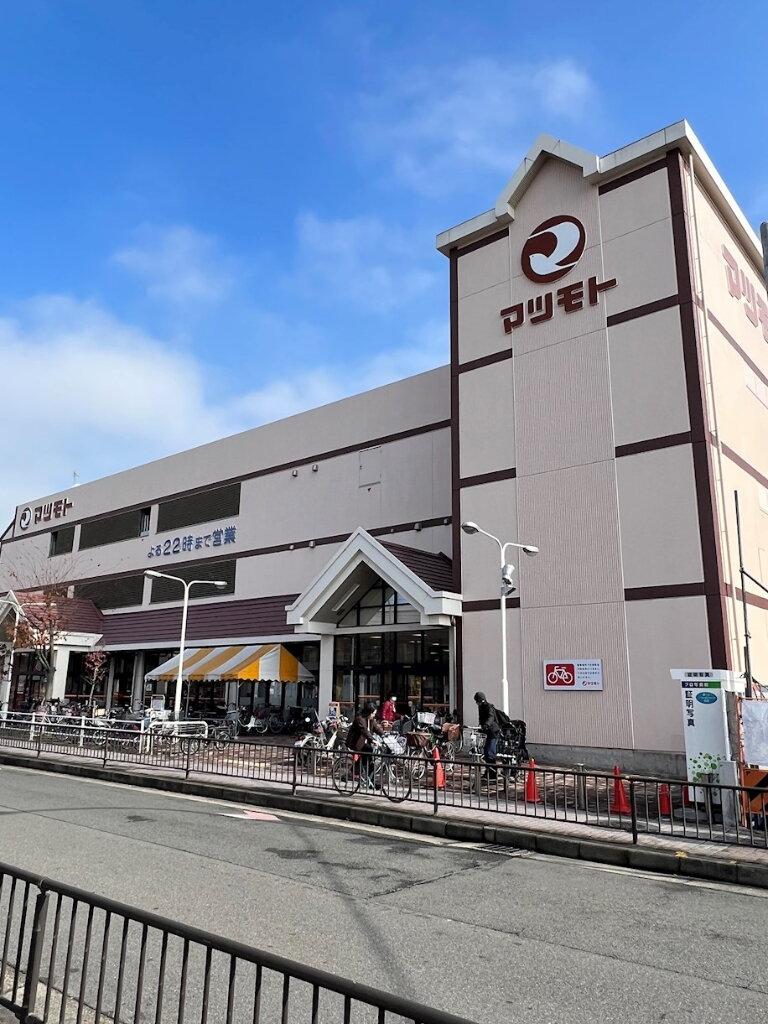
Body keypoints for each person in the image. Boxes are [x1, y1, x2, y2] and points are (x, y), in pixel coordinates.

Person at [345, 702, 385, 788]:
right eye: (373, 713)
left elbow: (377, 728)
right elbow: (365, 731)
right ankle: (351, 773)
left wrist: (384, 735)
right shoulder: (360, 719)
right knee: (367, 756)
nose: (374, 715)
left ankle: (371, 782)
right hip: (356, 743)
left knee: (370, 761)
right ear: (368, 712)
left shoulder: (371, 720)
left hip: (365, 743)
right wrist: (373, 740)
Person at [473, 691, 500, 778]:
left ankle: (493, 773)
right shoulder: (481, 707)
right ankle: (488, 771)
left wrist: (486, 725)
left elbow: (490, 718)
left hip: (493, 732)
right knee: (486, 752)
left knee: (490, 752)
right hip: (487, 732)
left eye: (477, 701)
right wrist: (480, 727)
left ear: (482, 700)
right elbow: (481, 718)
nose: (477, 703)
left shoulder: (489, 707)